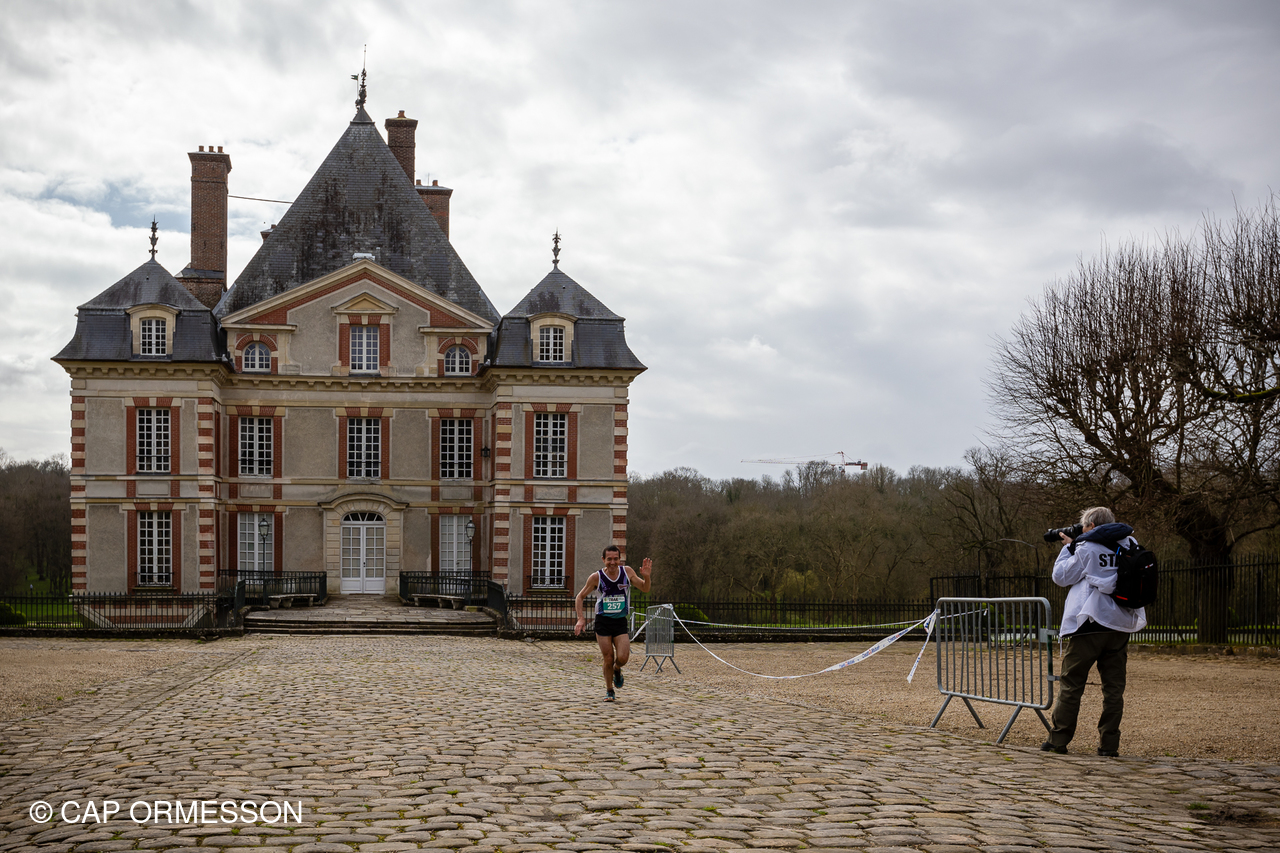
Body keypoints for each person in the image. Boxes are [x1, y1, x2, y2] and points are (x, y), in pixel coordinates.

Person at [1042, 506, 1147, 757]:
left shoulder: (1087, 547)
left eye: (1084, 526)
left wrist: (1068, 547)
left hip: (1090, 622)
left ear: (1090, 526)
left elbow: (1061, 576)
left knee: (1072, 682)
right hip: (1120, 623)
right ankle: (1109, 745)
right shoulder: (1131, 544)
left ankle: (1058, 739)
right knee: (1113, 688)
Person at [574, 545, 653, 701]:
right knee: (608, 657)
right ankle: (609, 690)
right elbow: (580, 597)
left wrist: (647, 577)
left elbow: (645, 588)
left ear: (620, 559)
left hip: (620, 622)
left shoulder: (627, 572)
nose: (612, 562)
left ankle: (617, 669)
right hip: (603, 622)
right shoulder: (596, 577)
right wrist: (580, 618)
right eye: (609, 559)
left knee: (623, 657)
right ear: (603, 560)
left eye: (615, 559)